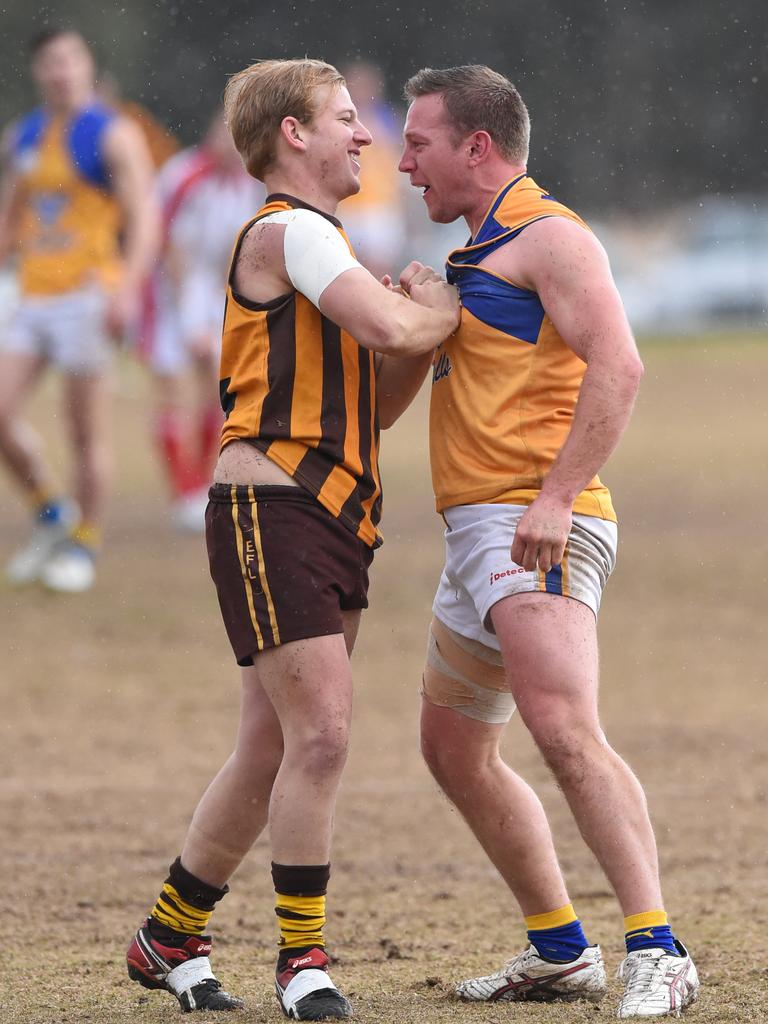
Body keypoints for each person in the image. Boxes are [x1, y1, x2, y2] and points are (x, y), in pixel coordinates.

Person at [126, 58, 459, 1019]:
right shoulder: (291, 231)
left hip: (334, 513)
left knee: (271, 744)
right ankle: (303, 963)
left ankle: (168, 934)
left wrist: (422, 326)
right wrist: (431, 312)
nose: (368, 137)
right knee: (324, 736)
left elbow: (381, 397)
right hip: (274, 510)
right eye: (347, 119)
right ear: (293, 136)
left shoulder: (330, 243)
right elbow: (387, 328)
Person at [398, 65, 700, 1019]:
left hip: (533, 521)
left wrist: (558, 498)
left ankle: (660, 947)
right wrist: (413, 322)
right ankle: (562, 949)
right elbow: (390, 409)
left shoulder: (550, 237)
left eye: (419, 144)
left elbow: (622, 363)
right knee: (452, 750)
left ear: (476, 148)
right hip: (475, 531)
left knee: (565, 730)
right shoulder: (471, 257)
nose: (402, 163)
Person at [0, 27, 157, 592]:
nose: (60, 70)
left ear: (87, 65)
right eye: (49, 62)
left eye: (69, 59)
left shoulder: (112, 133)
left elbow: (144, 218)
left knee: (83, 431)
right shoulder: (25, 135)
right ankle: (50, 513)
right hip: (33, 294)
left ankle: (84, 545)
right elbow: (10, 217)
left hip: (89, 294)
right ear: (38, 71)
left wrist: (128, 288)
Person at [139, 110, 264, 530]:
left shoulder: (247, 185)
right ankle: (183, 490)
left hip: (212, 294)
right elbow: (168, 245)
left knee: (217, 388)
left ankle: (201, 485)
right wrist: (187, 316)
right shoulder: (184, 174)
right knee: (172, 389)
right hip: (169, 294)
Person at [338, 62, 406, 279]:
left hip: (380, 205)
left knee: (379, 269)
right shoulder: (340, 119)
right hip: (348, 205)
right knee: (348, 269)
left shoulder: (386, 118)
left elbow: (396, 157)